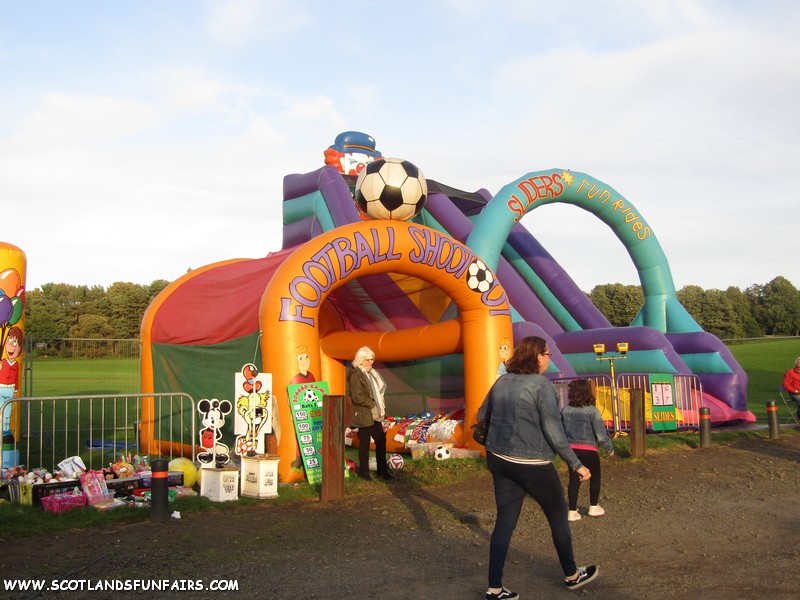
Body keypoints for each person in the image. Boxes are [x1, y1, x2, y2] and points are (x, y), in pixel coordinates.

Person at [478, 336, 598, 599]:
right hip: (533, 463)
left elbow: (480, 415)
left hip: (499, 459)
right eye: (547, 354)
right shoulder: (541, 385)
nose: (548, 359)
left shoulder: (502, 382)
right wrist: (576, 464)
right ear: (536, 356)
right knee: (557, 516)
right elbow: (553, 430)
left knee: (505, 522)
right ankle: (571, 574)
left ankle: (494, 588)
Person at [561, 379, 615, 521]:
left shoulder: (565, 410)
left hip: (571, 449)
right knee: (595, 476)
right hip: (589, 449)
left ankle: (572, 510)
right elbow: (601, 434)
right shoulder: (592, 411)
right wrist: (609, 448)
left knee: (574, 479)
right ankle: (594, 506)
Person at [347, 346, 392, 481]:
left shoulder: (371, 374)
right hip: (364, 413)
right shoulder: (355, 375)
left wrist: (377, 404)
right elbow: (357, 397)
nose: (371, 362)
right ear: (361, 360)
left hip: (374, 413)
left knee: (380, 440)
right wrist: (372, 403)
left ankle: (382, 471)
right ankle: (364, 473)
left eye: (372, 359)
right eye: (369, 360)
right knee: (364, 443)